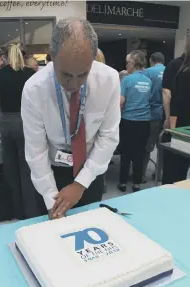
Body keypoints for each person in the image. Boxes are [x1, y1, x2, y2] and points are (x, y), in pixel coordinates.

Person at [21, 18, 120, 219]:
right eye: (65, 74)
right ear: (52, 55)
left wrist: (80, 184)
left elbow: (108, 137)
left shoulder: (108, 80)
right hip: (50, 174)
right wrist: (51, 199)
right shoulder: (34, 89)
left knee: (91, 227)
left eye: (82, 75)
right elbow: (36, 151)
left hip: (90, 171)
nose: (73, 83)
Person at [0, 42, 42, 220]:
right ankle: (31, 212)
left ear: (4, 56)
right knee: (27, 167)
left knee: (10, 167)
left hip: (6, 123)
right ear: (23, 55)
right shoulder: (31, 75)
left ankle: (16, 211)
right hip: (26, 122)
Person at [119, 50, 151, 193]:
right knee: (139, 153)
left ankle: (123, 182)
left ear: (132, 63)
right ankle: (137, 183)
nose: (126, 65)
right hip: (145, 122)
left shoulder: (127, 80)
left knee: (125, 152)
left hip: (128, 121)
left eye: (127, 62)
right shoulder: (148, 80)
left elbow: (121, 101)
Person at [162, 38, 190, 184]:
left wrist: (168, 120)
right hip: (182, 125)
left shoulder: (176, 65)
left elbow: (167, 95)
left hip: (178, 127)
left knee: (173, 172)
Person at [142, 52, 165, 181]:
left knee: (147, 146)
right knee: (161, 146)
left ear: (152, 60)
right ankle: (159, 174)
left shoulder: (148, 72)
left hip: (151, 114)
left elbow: (145, 93)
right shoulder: (170, 71)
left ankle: (142, 175)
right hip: (166, 115)